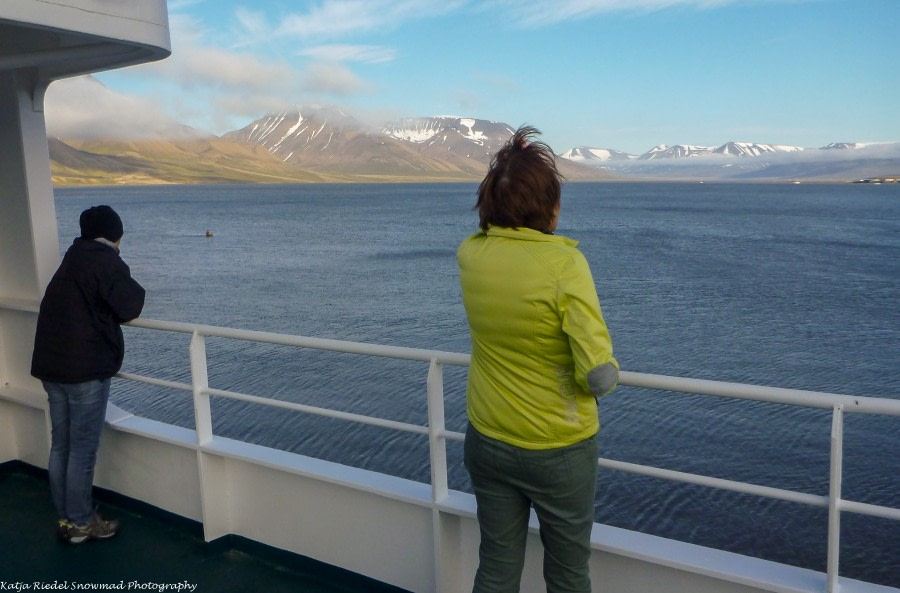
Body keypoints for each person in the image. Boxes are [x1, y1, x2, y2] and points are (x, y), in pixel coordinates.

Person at [457, 126, 619, 593]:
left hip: (487, 438)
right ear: (549, 206)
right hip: (557, 450)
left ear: (488, 204)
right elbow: (598, 375)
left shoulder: (470, 255)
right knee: (568, 574)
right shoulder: (565, 266)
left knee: (496, 566)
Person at [31, 205, 145, 544]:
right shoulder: (105, 260)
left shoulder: (72, 258)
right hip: (84, 371)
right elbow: (130, 305)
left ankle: (67, 518)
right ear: (114, 234)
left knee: (61, 446)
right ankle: (82, 523)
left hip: (52, 367)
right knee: (82, 450)